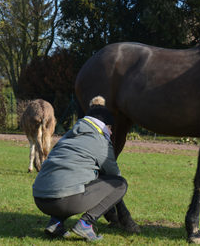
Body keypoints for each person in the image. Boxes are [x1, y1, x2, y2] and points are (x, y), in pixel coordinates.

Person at [32, 101, 134, 241]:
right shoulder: (101, 142)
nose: (111, 132)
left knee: (69, 180)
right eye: (110, 128)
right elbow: (113, 174)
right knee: (120, 184)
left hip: (39, 198)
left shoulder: (68, 136)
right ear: (105, 126)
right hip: (62, 201)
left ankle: (56, 223)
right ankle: (86, 224)